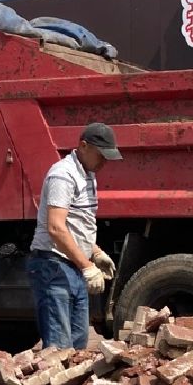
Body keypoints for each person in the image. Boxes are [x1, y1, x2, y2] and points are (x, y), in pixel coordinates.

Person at [27, 122, 123, 349]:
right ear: (83, 146)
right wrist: (87, 266)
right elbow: (56, 228)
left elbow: (78, 224)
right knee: (59, 349)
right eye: (101, 155)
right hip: (54, 266)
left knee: (78, 346)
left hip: (72, 266)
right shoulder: (63, 175)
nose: (104, 162)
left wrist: (96, 252)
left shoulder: (87, 174)